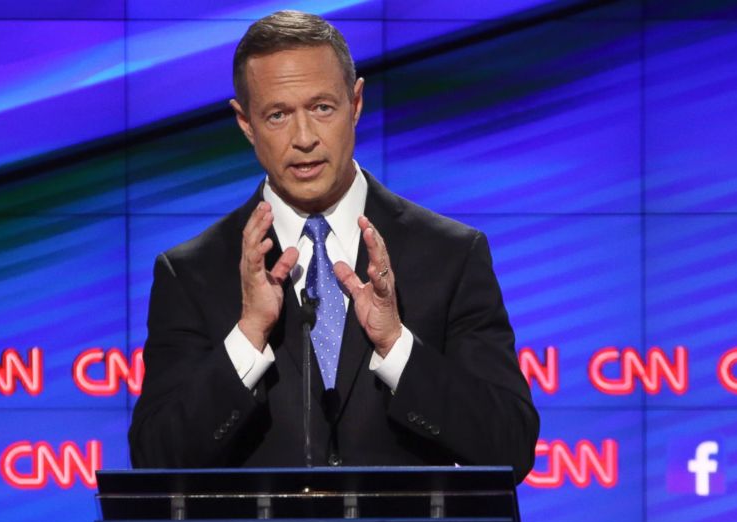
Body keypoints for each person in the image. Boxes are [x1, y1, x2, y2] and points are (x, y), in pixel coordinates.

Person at [128, 10, 539, 482]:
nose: (304, 139)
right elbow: (155, 462)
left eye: (322, 107)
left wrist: (396, 344)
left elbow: (511, 446)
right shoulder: (193, 273)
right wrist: (247, 336)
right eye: (278, 115)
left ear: (356, 102)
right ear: (245, 123)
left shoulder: (451, 255)